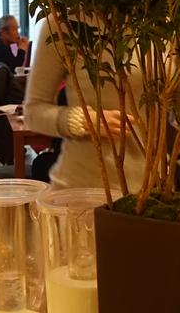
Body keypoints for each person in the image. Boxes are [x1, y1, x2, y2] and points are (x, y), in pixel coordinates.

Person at [23, 14, 145, 191]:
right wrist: (85, 121)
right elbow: (33, 112)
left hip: (157, 189)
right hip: (84, 189)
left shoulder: (175, 15)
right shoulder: (63, 23)